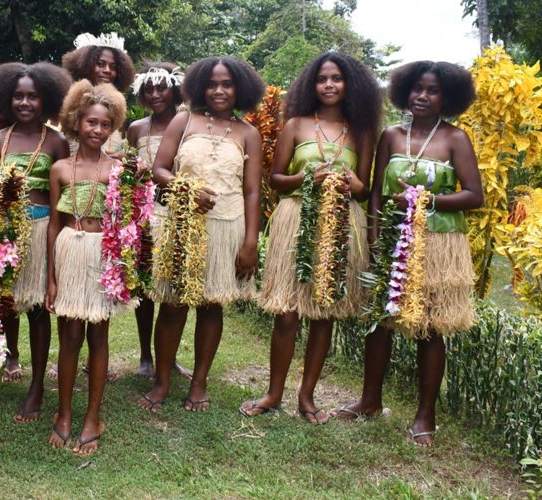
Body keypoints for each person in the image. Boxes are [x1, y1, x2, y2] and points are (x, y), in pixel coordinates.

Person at [333, 61, 481, 447]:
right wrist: (374, 238)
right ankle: (369, 400)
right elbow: (377, 193)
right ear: (404, 91)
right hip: (392, 240)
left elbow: (473, 195)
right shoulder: (391, 137)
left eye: (432, 90)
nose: (422, 96)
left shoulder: (455, 139)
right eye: (417, 88)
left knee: (428, 327)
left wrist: (422, 199)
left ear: (447, 97)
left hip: (438, 244)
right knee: (381, 322)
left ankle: (424, 416)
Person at [240, 52, 381, 424]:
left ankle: (307, 396)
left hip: (341, 223)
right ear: (312, 84)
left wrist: (354, 184)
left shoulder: (362, 129)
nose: (329, 85)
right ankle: (273, 393)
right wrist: (309, 178)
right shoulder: (296, 125)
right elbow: (275, 179)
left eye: (336, 78)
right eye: (322, 79)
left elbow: (365, 189)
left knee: (324, 313)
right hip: (296, 219)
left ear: (350, 84)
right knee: (287, 314)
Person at [138, 57, 264, 413]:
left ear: (240, 88)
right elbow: (159, 169)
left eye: (226, 84)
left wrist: (251, 241)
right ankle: (162, 382)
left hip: (228, 226)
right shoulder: (184, 119)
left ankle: (198, 383)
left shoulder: (248, 133)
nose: (219, 91)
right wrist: (186, 188)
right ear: (198, 87)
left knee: (211, 306)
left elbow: (253, 191)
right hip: (182, 224)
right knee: (174, 304)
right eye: (211, 84)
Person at [46, 80, 136, 454]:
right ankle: (64, 412)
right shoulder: (61, 169)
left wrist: (125, 267)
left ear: (112, 127)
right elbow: (54, 223)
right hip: (69, 248)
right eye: (90, 123)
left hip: (104, 254)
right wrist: (51, 278)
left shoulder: (119, 169)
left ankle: (92, 415)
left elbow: (131, 222)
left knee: (99, 336)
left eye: (104, 124)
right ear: (75, 122)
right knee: (69, 335)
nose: (97, 130)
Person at [0, 62, 71, 422]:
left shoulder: (57, 141)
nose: (25, 102)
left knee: (36, 309)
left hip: (42, 227)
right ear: (7, 99)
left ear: (45, 99)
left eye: (33, 96)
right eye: (18, 96)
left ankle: (36, 386)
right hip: (1, 230)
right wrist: (2, 195)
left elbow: (65, 191)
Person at [126, 61, 193, 380]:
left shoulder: (190, 125)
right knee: (144, 288)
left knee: (174, 288)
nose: (155, 94)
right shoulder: (136, 128)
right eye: (149, 89)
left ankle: (170, 356)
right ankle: (145, 356)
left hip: (179, 213)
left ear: (175, 88)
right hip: (144, 215)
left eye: (161, 87)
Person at [61, 32, 136, 156]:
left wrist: (124, 157)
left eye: (113, 67)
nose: (107, 70)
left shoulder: (117, 105)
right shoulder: (70, 101)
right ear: (86, 65)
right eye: (100, 64)